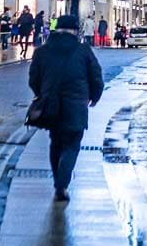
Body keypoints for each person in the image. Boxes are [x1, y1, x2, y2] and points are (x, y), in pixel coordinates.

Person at [28, 14, 104, 202]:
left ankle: (58, 183)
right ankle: (62, 185)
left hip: (51, 104)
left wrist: (43, 94)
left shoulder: (41, 52)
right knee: (71, 144)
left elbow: (33, 80)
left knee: (56, 143)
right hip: (77, 104)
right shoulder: (83, 50)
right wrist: (94, 97)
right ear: (75, 31)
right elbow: (96, 77)